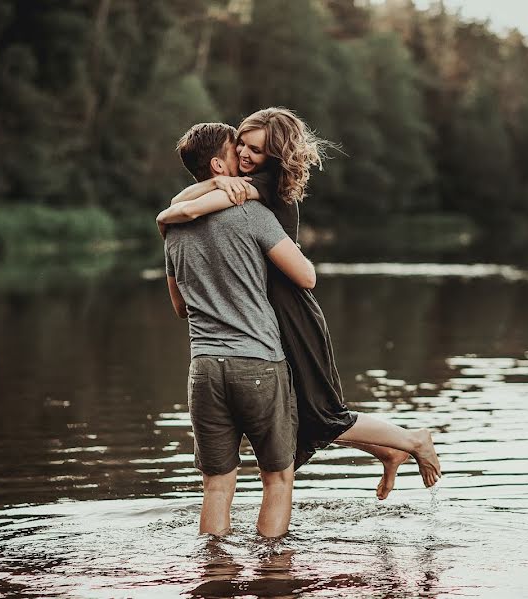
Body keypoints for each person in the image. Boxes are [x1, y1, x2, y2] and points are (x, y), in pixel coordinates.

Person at [158, 108, 441, 500]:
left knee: (321, 414)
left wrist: (166, 217)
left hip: (290, 314)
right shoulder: (241, 184)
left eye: (255, 150)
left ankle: (413, 440)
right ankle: (388, 450)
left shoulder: (265, 185)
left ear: (273, 156)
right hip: (261, 316)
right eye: (241, 143)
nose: (244, 153)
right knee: (304, 418)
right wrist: (209, 188)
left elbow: (184, 208)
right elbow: (184, 199)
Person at [162, 122, 317, 537]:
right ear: (219, 163)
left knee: (215, 487)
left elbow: (180, 307)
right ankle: (272, 574)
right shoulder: (254, 214)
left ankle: (214, 571)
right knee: (278, 480)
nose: (245, 160)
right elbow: (306, 277)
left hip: (204, 368)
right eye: (237, 150)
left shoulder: (172, 229)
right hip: (259, 363)